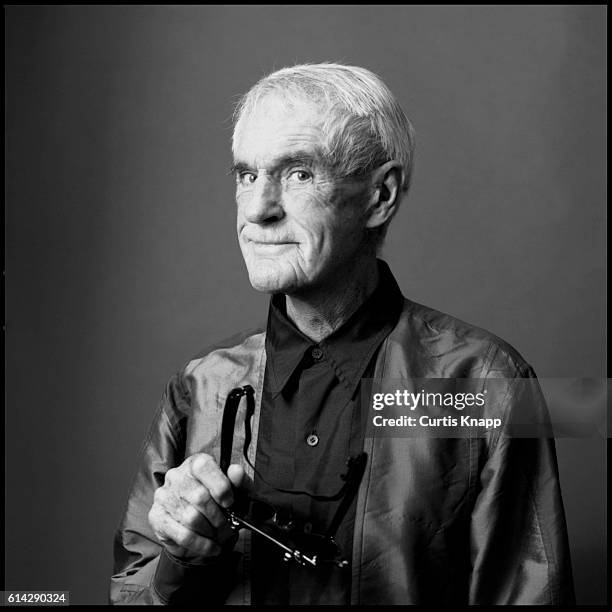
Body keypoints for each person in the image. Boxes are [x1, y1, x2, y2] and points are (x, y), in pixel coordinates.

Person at [110, 63, 575, 605]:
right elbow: (132, 595)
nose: (258, 209)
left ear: (380, 196)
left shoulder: (489, 385)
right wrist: (179, 559)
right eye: (246, 175)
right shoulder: (200, 385)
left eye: (299, 174)